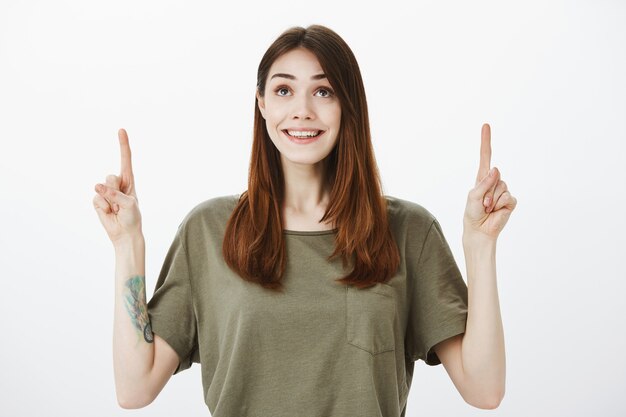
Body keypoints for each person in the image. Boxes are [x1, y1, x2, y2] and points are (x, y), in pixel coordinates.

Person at [93, 24, 517, 416]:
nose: (301, 111)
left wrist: (480, 245)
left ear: (348, 105)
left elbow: (484, 390)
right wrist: (127, 243)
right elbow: (135, 388)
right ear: (260, 104)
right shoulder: (209, 230)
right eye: (282, 91)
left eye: (323, 92)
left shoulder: (407, 232)